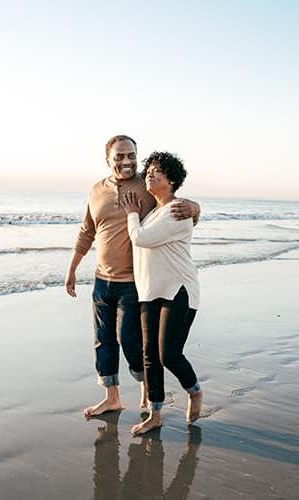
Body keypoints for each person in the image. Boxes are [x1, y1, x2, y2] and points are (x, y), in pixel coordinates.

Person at [65, 135, 200, 418]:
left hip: (133, 283)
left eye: (131, 155)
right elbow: (86, 231)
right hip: (102, 279)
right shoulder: (96, 190)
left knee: (131, 341)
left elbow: (172, 204)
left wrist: (196, 208)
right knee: (103, 340)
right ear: (108, 160)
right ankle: (111, 397)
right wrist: (72, 268)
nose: (127, 161)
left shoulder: (145, 184)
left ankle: (146, 390)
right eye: (120, 156)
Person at [121, 151, 203, 435]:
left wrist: (132, 214)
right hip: (149, 291)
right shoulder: (154, 212)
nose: (150, 174)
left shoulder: (177, 209)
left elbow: (142, 239)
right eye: (150, 169)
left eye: (158, 170)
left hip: (178, 290)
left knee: (168, 354)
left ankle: (194, 391)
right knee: (149, 356)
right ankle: (155, 414)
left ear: (172, 180)